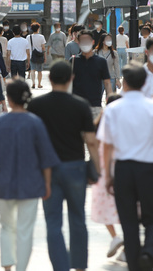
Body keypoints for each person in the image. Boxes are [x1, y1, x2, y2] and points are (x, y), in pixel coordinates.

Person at [0, 80, 60, 271]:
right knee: (25, 230)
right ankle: (21, 268)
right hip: (31, 183)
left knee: (6, 226)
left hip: (3, 183)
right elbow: (46, 157)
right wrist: (47, 183)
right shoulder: (35, 122)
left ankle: (7, 266)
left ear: (9, 99)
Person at [98, 62, 153, 271]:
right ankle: (149, 254)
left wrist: (108, 175)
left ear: (126, 82)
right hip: (150, 169)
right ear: (145, 82)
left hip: (123, 169)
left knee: (128, 221)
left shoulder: (113, 108)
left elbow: (107, 146)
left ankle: (133, 264)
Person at [27, 61, 101, 271]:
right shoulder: (80, 104)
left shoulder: (36, 105)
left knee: (53, 222)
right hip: (75, 167)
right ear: (72, 78)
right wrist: (98, 168)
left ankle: (60, 267)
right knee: (77, 218)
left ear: (49, 78)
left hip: (47, 170)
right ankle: (79, 266)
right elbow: (91, 141)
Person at [92, 94, 125, 260]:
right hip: (124, 165)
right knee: (127, 207)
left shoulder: (101, 122)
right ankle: (125, 239)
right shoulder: (125, 121)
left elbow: (95, 141)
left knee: (103, 204)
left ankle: (115, 237)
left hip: (105, 167)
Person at [71, 30, 112, 118]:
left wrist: (110, 102)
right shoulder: (73, 61)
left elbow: (107, 83)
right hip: (76, 106)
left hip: (95, 106)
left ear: (93, 42)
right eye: (83, 41)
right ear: (78, 42)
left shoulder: (101, 62)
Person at [26, 23, 47, 89]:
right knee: (39, 71)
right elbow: (43, 48)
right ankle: (39, 84)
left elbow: (27, 47)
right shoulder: (41, 37)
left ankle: (33, 83)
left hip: (32, 55)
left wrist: (28, 57)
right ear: (38, 29)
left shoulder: (28, 37)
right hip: (40, 55)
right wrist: (45, 56)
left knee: (32, 70)